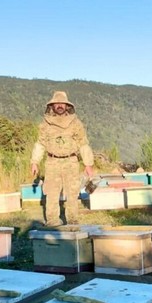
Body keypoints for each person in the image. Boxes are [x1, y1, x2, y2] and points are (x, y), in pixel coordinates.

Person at [30, 91, 94, 226]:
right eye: (57, 103)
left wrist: (88, 164)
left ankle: (73, 219)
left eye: (62, 103)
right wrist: (35, 162)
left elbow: (83, 143)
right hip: (52, 161)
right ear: (52, 106)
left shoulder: (76, 123)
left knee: (72, 192)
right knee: (52, 192)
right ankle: (53, 220)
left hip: (71, 161)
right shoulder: (45, 124)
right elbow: (40, 143)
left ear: (67, 106)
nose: (59, 106)